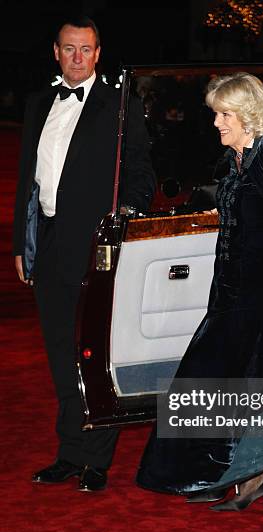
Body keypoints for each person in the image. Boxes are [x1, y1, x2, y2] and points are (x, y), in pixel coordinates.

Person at [136, 72, 263, 510]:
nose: (215, 122)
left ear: (248, 116)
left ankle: (232, 475)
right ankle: (238, 478)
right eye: (216, 113)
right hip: (231, 293)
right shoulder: (238, 159)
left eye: (223, 113)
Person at [13, 16, 155, 492]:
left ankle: (96, 459)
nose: (77, 57)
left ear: (98, 53)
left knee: (93, 356)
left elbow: (141, 176)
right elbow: (26, 183)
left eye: (86, 49)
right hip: (48, 244)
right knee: (58, 356)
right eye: (69, 48)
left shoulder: (120, 105)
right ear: (55, 51)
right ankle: (69, 452)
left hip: (95, 248)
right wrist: (21, 244)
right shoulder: (37, 105)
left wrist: (119, 228)